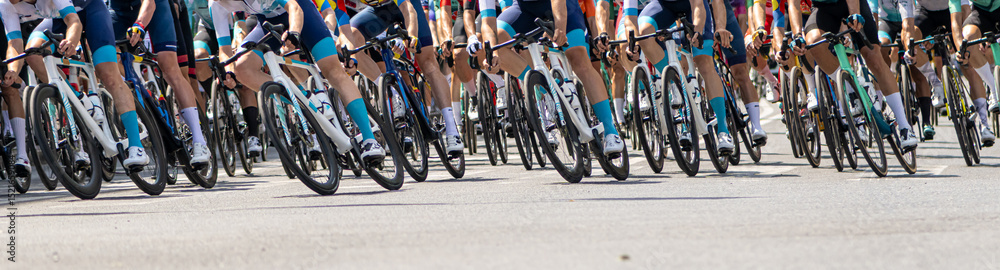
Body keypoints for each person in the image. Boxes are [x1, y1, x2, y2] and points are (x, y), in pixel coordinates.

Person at [210, 0, 387, 163]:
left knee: (331, 68)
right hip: (267, 23)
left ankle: (370, 139)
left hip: (301, 10)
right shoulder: (215, 4)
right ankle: (305, 102)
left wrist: (294, 33)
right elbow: (224, 50)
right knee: (242, 69)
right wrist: (228, 72)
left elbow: (294, 8)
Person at [1, 0, 151, 168]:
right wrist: (13, 70)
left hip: (90, 12)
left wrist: (71, 42)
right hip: (57, 19)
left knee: (108, 74)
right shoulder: (5, 4)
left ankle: (136, 146)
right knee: (33, 54)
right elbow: (14, 43)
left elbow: (74, 21)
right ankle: (79, 98)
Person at [346, 0, 466, 155]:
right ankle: (391, 92)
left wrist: (411, 36)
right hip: (379, 12)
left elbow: (408, 9)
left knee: (428, 64)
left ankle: (452, 128)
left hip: (408, 6)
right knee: (350, 41)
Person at [621, 0, 737, 154]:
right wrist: (633, 44)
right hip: (664, 7)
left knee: (704, 62)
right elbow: (629, 19)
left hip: (693, 6)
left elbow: (698, 6)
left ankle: (723, 131)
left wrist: (697, 31)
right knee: (643, 34)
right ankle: (675, 82)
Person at [802, 0, 919, 150]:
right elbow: (793, 4)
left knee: (873, 58)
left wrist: (854, 14)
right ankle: (852, 92)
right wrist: (797, 36)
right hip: (823, 9)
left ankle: (904, 127)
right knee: (813, 44)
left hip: (851, 4)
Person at [111, 0, 211, 166]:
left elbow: (150, 3)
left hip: (155, 7)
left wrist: (140, 24)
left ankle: (199, 141)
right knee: (107, 60)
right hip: (120, 12)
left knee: (170, 69)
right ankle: (140, 92)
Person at [953, 0, 998, 146]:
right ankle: (993, 89)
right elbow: (955, 23)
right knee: (968, 41)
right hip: (981, 13)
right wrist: (961, 49)